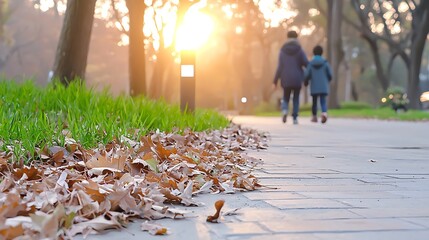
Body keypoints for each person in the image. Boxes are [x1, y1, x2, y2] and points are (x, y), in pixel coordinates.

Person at [273, 30, 309, 124]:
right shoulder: (299, 50)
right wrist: (307, 76)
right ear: (296, 37)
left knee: (286, 96)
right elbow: (306, 63)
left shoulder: (282, 50)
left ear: (287, 38)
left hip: (285, 78)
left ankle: (285, 110)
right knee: (296, 98)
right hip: (297, 78)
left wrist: (275, 81)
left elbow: (280, 67)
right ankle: (295, 117)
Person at [304, 45, 332, 124]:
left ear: (313, 53)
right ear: (321, 53)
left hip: (314, 86)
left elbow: (307, 74)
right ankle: (324, 113)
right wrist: (328, 80)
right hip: (323, 85)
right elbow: (330, 74)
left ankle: (314, 117)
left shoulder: (310, 63)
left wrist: (306, 81)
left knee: (314, 102)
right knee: (323, 101)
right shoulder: (325, 63)